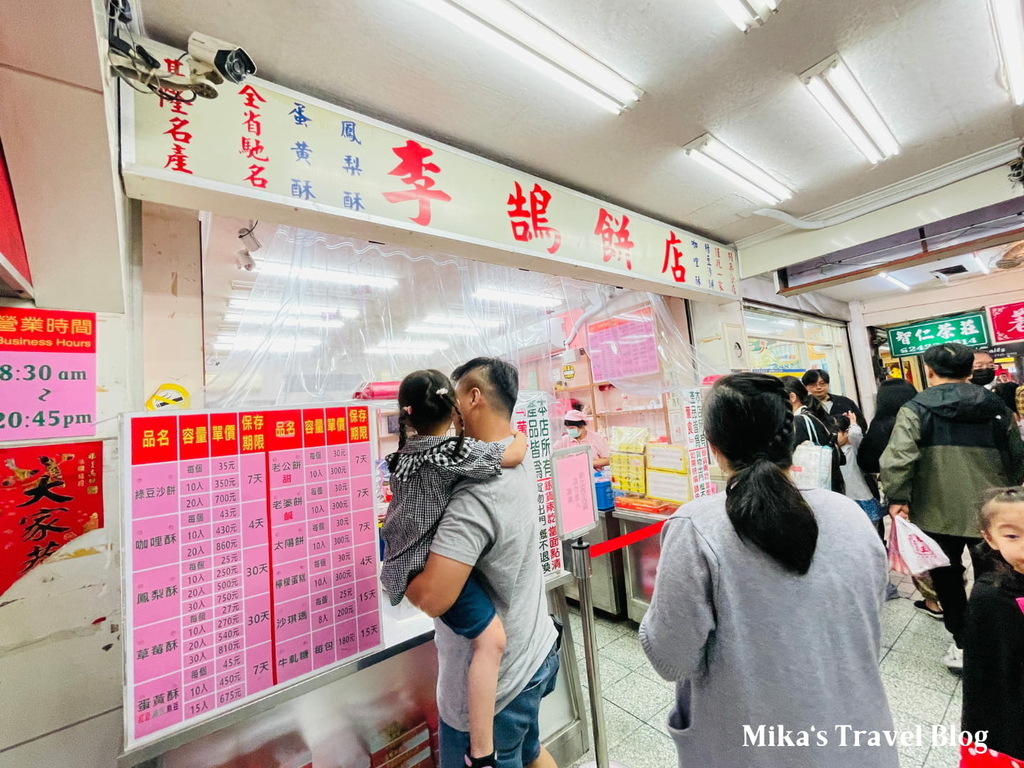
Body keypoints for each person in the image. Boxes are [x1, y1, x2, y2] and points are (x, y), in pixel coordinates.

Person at [639, 373, 896, 768]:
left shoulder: (696, 526)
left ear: (713, 446)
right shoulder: (849, 515)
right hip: (859, 741)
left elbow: (671, 659)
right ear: (790, 437)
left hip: (751, 749)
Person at [404, 357, 560, 768]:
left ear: (473, 398)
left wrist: (405, 579)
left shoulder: (474, 495)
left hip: (498, 694)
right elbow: (515, 443)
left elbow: (435, 599)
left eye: (456, 399)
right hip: (536, 648)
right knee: (531, 751)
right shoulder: (516, 451)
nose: (453, 413)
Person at [381, 369, 528, 768]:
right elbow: (512, 454)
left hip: (400, 562)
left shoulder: (401, 456)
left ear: (405, 416)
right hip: (423, 570)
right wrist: (522, 434)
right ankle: (481, 753)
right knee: (492, 640)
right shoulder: (449, 455)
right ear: (453, 409)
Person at [880, 342, 1024, 672]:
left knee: (946, 577)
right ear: (970, 371)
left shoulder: (915, 408)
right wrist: (1009, 489)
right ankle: (1001, 636)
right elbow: (1017, 457)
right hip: (990, 510)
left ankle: (962, 643)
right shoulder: (996, 406)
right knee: (996, 575)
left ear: (929, 372)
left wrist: (898, 498)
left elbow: (898, 459)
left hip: (934, 509)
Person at [961, 488, 1024, 762]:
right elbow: (987, 678)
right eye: (1012, 535)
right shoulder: (992, 596)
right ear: (990, 538)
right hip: (1010, 728)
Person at [781, 376, 845, 495]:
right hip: (829, 486)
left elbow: (785, 456)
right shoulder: (814, 416)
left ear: (792, 397)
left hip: (813, 490)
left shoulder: (799, 422)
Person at [802, 369, 867, 431]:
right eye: (813, 385)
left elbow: (862, 425)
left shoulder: (845, 402)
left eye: (822, 383)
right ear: (805, 387)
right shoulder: (803, 406)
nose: (818, 387)